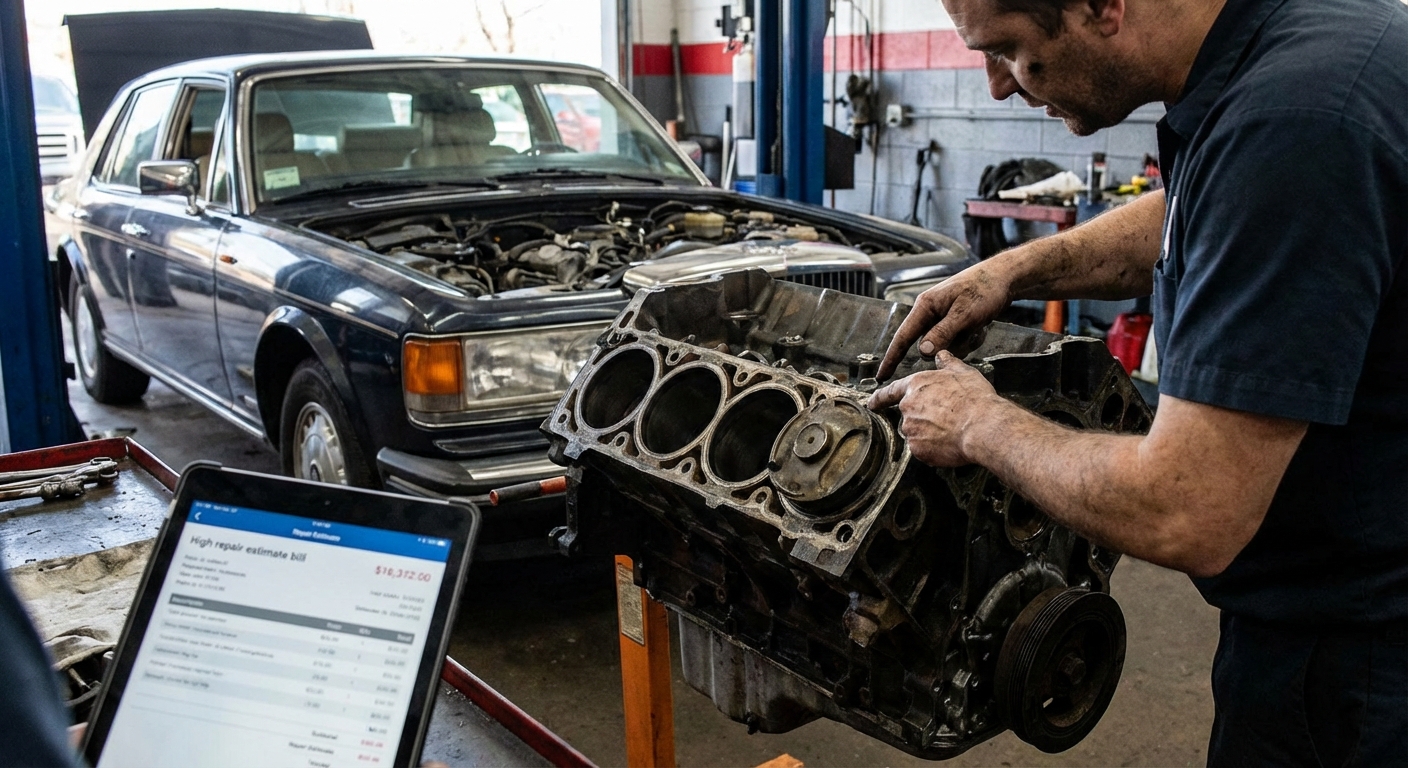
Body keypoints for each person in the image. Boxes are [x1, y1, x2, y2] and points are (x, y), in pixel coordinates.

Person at [867, 0, 1408, 764]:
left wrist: (978, 425)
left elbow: (1189, 508)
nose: (995, 87)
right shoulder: (1298, 43)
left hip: (1359, 670)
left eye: (1010, 51)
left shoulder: (1295, 120)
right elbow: (1205, 207)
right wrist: (1018, 267)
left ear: (1101, 7)